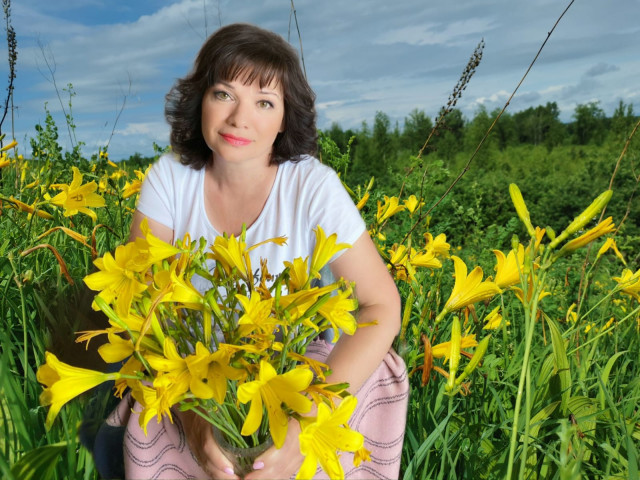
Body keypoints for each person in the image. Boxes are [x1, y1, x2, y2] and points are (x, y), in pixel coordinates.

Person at [110, 22, 408, 480]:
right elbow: (147, 313)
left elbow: (382, 305)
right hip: (189, 360)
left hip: (289, 359)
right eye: (224, 94)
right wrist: (194, 419)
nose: (239, 119)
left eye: (264, 102)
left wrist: (307, 420)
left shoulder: (313, 185)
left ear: (285, 120)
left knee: (380, 366)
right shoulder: (168, 178)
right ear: (200, 101)